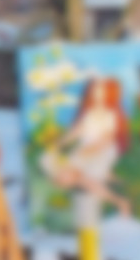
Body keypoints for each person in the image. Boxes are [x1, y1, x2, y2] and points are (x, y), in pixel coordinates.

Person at [41, 77, 132, 217]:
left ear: (107, 94)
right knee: (56, 170)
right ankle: (106, 183)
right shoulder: (89, 113)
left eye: (101, 92)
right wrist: (61, 142)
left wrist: (89, 151)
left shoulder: (110, 115)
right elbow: (77, 131)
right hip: (85, 150)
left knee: (84, 179)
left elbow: (107, 139)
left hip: (103, 150)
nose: (97, 96)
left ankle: (118, 200)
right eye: (95, 92)